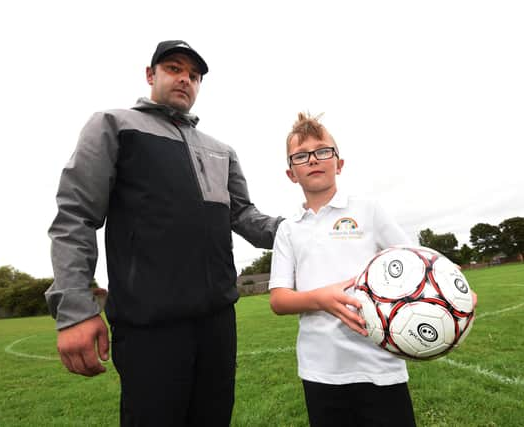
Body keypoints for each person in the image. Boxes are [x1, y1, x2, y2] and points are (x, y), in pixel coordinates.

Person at [45, 40, 282, 426]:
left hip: (218, 323)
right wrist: (73, 309)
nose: (185, 79)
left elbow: (244, 216)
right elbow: (76, 216)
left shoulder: (222, 150)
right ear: (150, 74)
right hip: (149, 327)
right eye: (174, 68)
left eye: (194, 75)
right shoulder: (114, 125)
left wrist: (305, 229)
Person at [269, 113, 417, 427]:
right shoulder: (288, 230)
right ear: (291, 173)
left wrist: (453, 290)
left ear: (340, 162)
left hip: (379, 364)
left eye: (323, 151)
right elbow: (279, 300)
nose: (313, 160)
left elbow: (414, 261)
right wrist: (320, 299)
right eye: (301, 156)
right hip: (321, 369)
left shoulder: (368, 210)